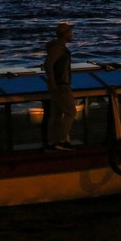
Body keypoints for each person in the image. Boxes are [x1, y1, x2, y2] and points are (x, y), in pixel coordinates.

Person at [44, 22, 76, 151]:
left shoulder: (57, 47)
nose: (72, 34)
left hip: (58, 85)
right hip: (61, 86)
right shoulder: (58, 48)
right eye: (70, 32)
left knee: (56, 114)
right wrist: (53, 82)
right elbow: (48, 64)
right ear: (65, 34)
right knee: (71, 112)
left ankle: (51, 142)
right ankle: (62, 140)